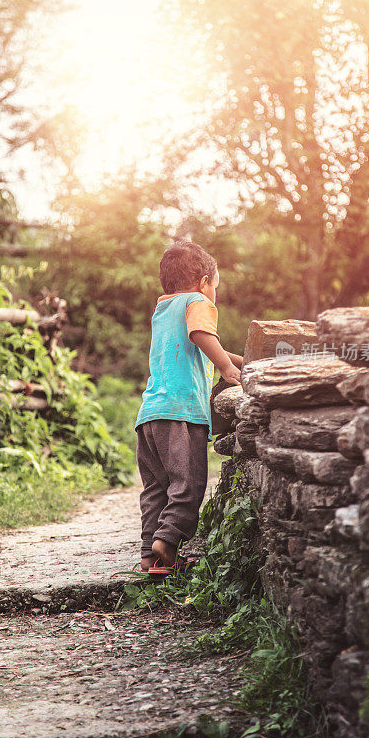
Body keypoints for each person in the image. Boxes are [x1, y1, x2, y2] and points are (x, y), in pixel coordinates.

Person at [134, 240, 243, 574]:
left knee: (156, 488)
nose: (214, 295)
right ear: (203, 282)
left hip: (150, 415)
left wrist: (241, 361)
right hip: (181, 415)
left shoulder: (165, 308)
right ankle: (166, 543)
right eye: (216, 288)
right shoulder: (197, 301)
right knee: (189, 484)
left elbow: (203, 345)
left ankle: (149, 558)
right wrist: (226, 369)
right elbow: (201, 334)